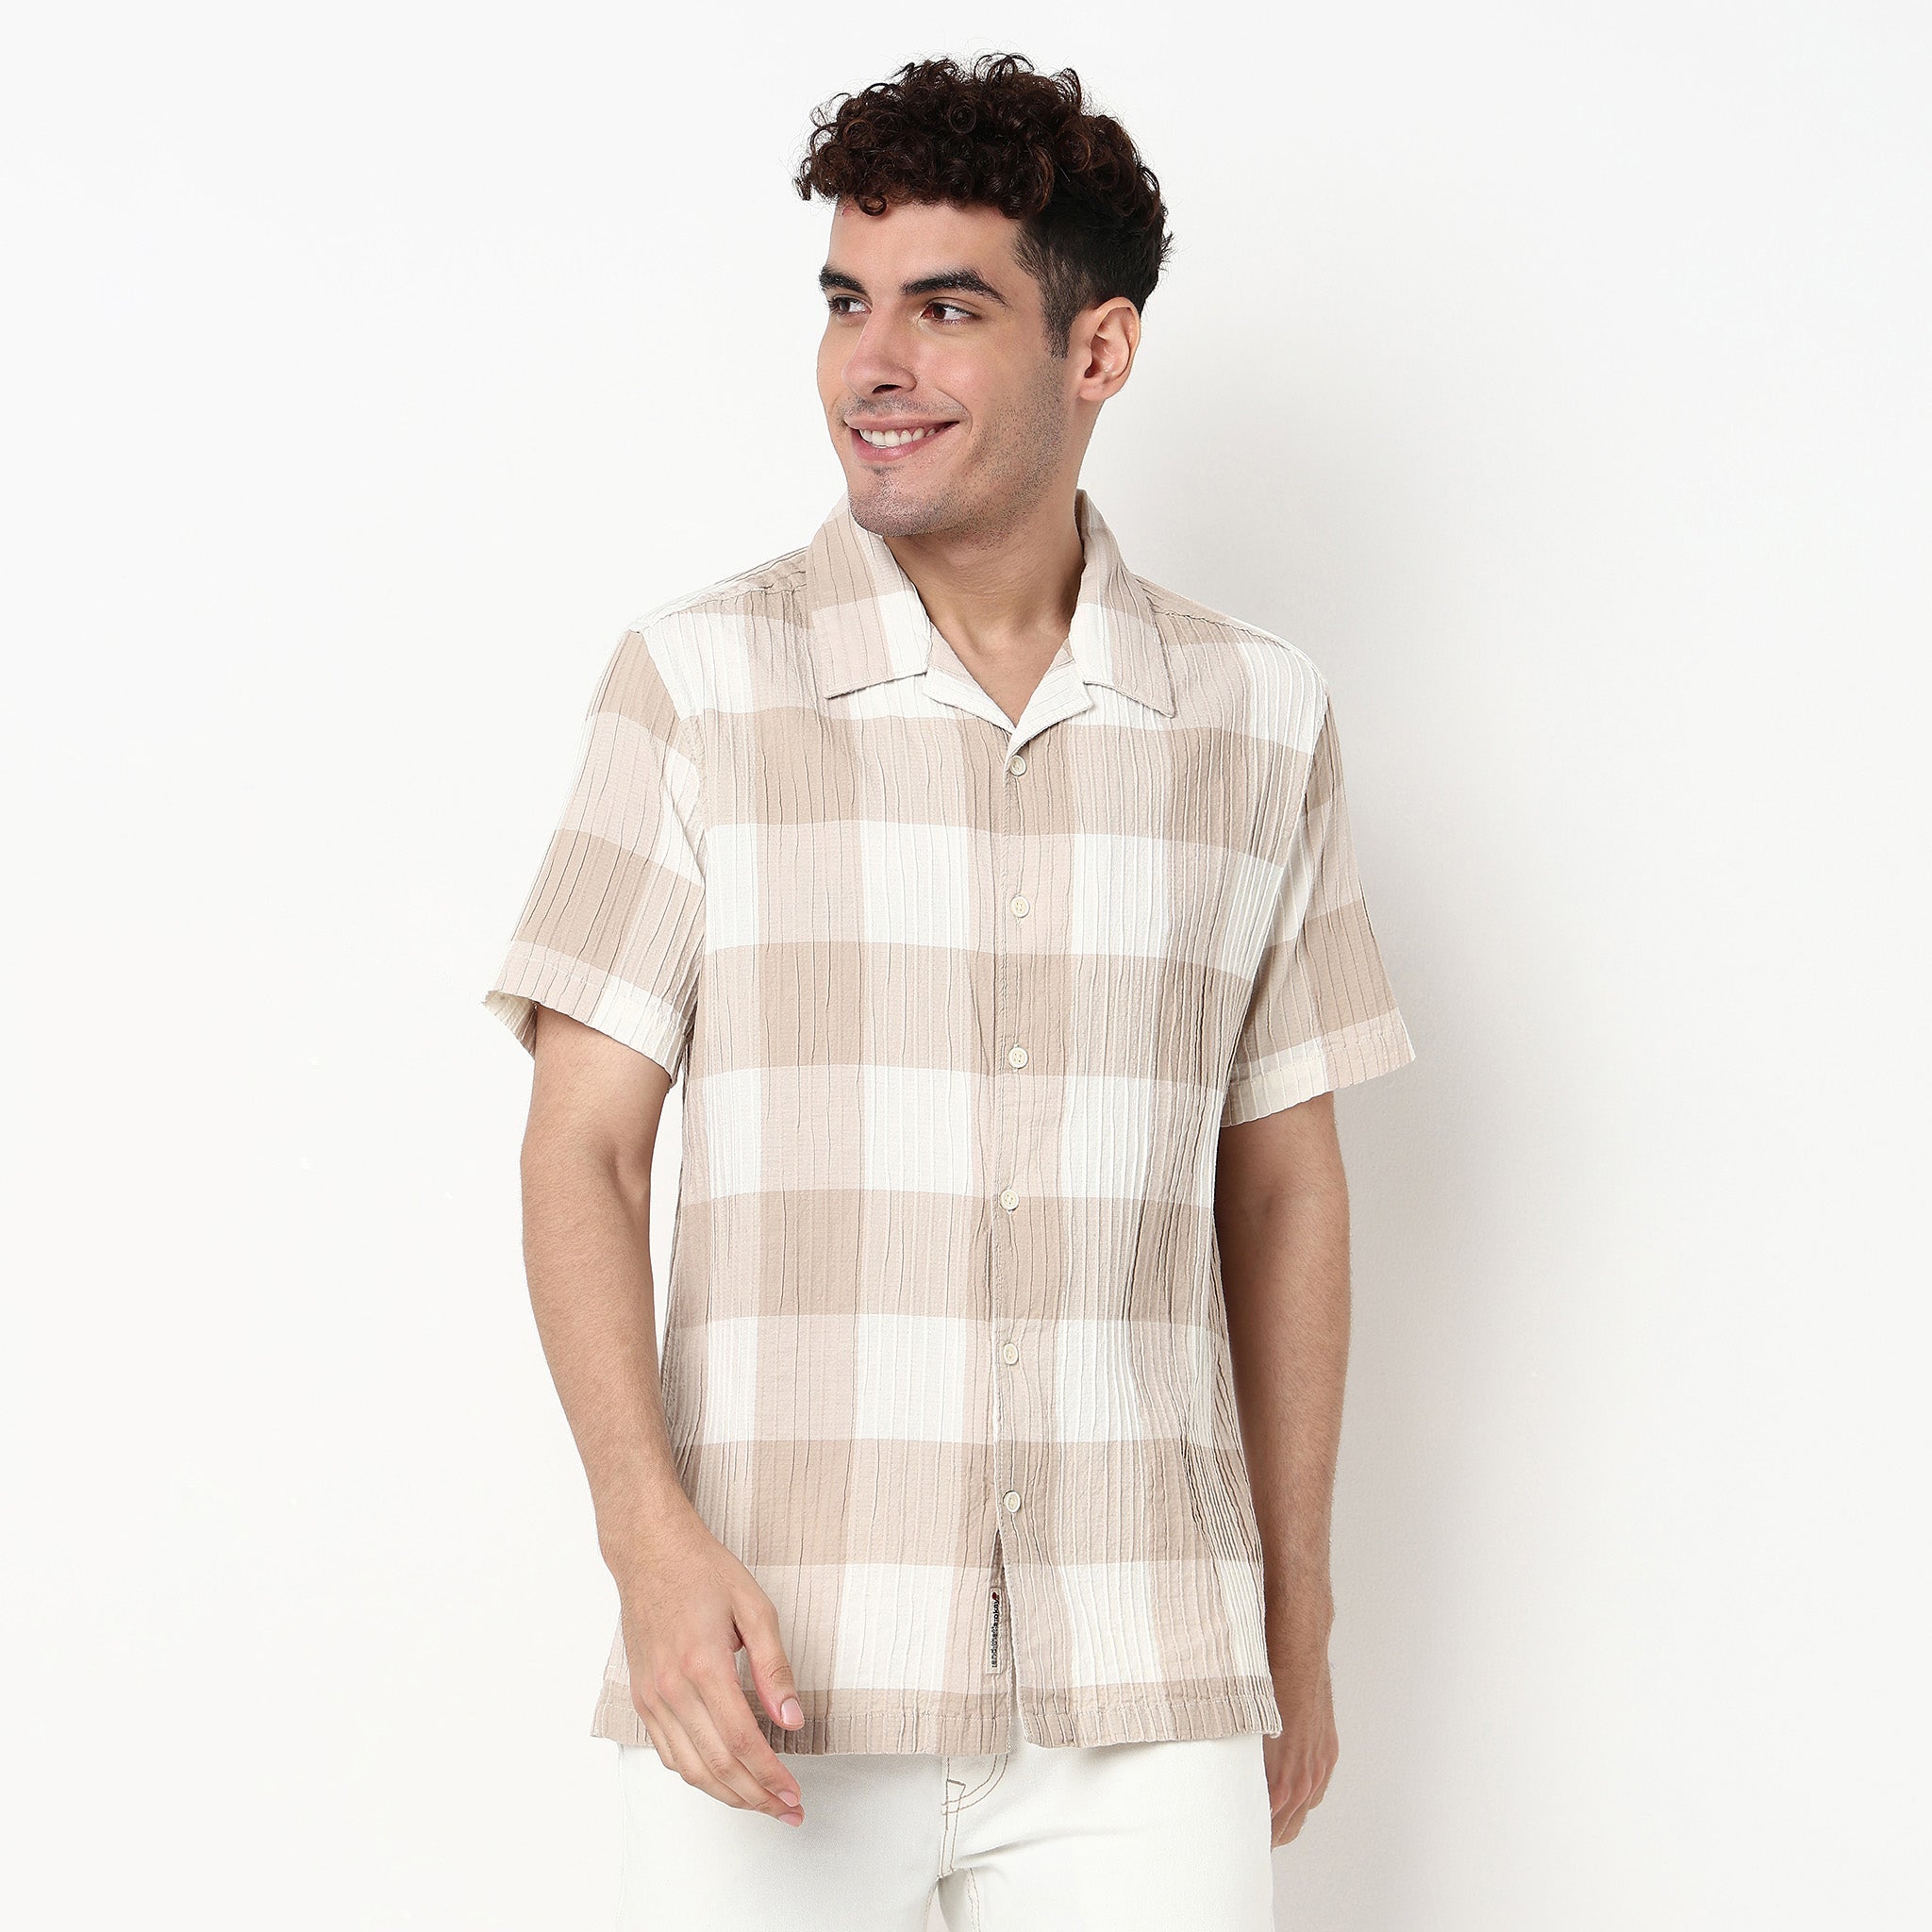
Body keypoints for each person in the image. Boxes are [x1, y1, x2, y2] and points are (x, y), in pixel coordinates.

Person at [481, 49, 1416, 1932]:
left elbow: (1282, 1185)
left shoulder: (1256, 716)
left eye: (946, 308)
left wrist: (1296, 1608)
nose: (871, 364)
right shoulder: (694, 688)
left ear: (1100, 350)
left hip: (1149, 1678)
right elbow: (583, 1152)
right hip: (769, 1674)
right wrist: (648, 1549)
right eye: (847, 301)